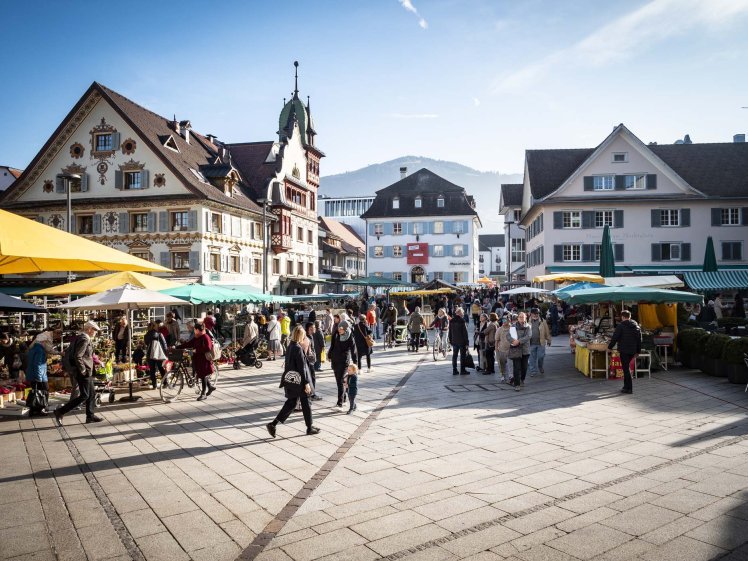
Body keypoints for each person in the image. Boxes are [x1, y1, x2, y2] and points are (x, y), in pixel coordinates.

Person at [266, 326, 320, 437]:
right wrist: (306, 383)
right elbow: (302, 368)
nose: (305, 337)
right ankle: (309, 428)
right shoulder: (298, 348)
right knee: (306, 403)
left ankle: (273, 424)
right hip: (299, 381)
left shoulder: (290, 346)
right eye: (303, 335)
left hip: (291, 380)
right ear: (300, 335)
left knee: (291, 403)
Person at [54, 321, 104, 425]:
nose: (95, 332)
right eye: (94, 330)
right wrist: (83, 370)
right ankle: (60, 411)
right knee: (85, 395)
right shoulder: (84, 339)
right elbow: (78, 356)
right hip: (83, 372)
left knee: (91, 393)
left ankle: (90, 416)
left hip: (85, 371)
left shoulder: (81, 337)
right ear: (89, 329)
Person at [176, 323, 216, 401]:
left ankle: (203, 394)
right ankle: (210, 387)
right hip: (197, 359)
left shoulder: (205, 337)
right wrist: (177, 347)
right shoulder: (197, 337)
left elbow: (208, 348)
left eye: (194, 329)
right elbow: (189, 343)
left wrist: (196, 350)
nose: (194, 331)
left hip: (204, 359)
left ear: (197, 330)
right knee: (201, 375)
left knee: (203, 375)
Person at [608, 309, 642, 394]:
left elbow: (615, 338)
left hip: (624, 350)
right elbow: (639, 340)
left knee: (626, 369)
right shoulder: (636, 326)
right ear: (630, 317)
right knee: (626, 368)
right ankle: (625, 387)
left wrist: (610, 347)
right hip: (633, 350)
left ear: (623, 317)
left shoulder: (620, 326)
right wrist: (638, 351)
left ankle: (629, 388)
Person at [329, 319, 358, 407]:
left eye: (341, 328)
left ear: (345, 329)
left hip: (343, 360)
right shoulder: (336, 334)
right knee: (338, 380)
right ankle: (343, 397)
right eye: (338, 328)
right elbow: (332, 345)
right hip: (335, 360)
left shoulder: (350, 336)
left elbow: (353, 350)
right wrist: (329, 354)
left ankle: (340, 402)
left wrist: (355, 362)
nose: (339, 330)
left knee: (340, 381)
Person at [26, 331, 55, 416]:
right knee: (44, 391)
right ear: (43, 341)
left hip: (32, 374)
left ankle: (33, 409)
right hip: (39, 375)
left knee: (35, 392)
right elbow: (38, 364)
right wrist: (39, 377)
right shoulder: (40, 350)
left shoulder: (33, 348)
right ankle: (40, 409)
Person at [507, 312, 531, 391]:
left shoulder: (528, 327)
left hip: (525, 350)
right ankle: (517, 384)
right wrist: (513, 341)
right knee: (516, 367)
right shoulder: (513, 326)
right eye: (520, 317)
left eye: (523, 317)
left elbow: (528, 336)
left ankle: (522, 379)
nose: (521, 318)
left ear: (525, 318)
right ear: (517, 318)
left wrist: (519, 341)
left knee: (524, 367)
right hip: (516, 350)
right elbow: (508, 335)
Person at [527, 307, 551, 377]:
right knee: (532, 358)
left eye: (537, 313)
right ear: (531, 314)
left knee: (541, 357)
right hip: (531, 343)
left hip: (541, 343)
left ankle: (540, 366)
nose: (535, 315)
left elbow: (547, 331)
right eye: (534, 313)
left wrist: (549, 340)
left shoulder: (543, 321)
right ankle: (533, 371)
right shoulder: (527, 322)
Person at [144, 321, 168, 389]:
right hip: (158, 354)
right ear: (154, 326)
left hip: (150, 354)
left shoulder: (146, 335)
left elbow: (146, 343)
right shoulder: (159, 334)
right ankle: (165, 382)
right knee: (160, 368)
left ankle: (154, 385)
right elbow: (164, 345)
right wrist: (166, 354)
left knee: (152, 370)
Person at [449, 308, 469, 375]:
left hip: (454, 341)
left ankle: (454, 370)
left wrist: (450, 340)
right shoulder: (462, 321)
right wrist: (467, 342)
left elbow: (450, 332)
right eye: (462, 313)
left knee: (454, 356)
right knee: (462, 356)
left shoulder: (451, 321)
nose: (463, 314)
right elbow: (465, 333)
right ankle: (462, 370)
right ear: (460, 313)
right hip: (462, 341)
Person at [495, 316, 512, 383]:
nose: (505, 321)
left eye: (506, 320)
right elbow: (496, 340)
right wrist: (496, 349)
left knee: (511, 363)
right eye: (503, 320)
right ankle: (502, 376)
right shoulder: (499, 329)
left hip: (511, 350)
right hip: (501, 350)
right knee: (501, 364)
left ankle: (511, 376)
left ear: (509, 321)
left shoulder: (512, 329)